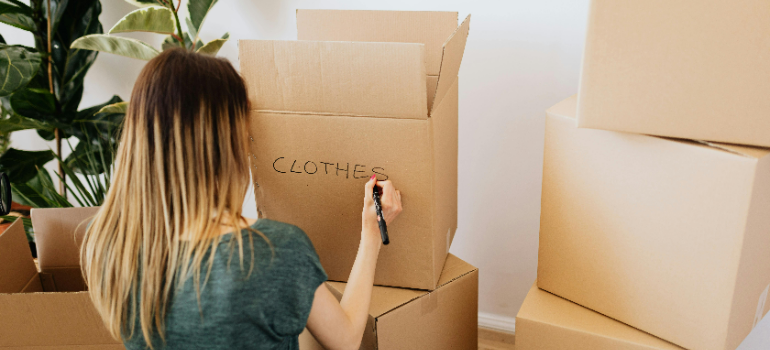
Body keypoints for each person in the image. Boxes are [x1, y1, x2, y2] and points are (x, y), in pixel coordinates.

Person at [80, 48, 402, 350]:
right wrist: (373, 232)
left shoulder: (109, 244)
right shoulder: (272, 251)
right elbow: (345, 340)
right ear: (227, 142)